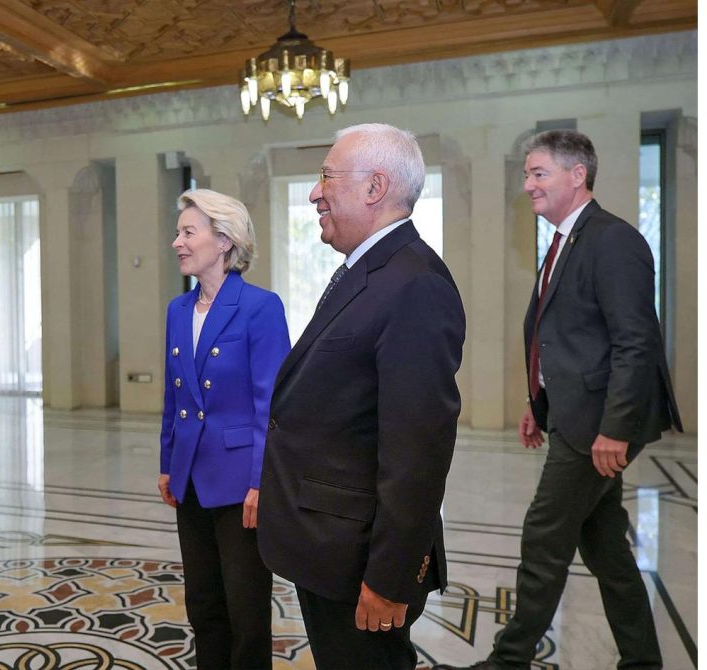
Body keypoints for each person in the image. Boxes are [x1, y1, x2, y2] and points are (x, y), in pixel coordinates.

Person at [434, 130, 682, 670]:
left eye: (538, 173)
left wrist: (614, 429)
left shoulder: (611, 240)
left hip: (597, 424)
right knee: (606, 548)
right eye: (527, 174)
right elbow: (567, 338)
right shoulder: (566, 239)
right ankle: (643, 660)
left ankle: (509, 661)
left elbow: (635, 342)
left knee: (544, 535)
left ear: (578, 175)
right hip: (575, 412)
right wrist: (539, 400)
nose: (527, 184)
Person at [257, 123, 466, 670]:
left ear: (375, 187)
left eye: (327, 177)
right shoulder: (369, 271)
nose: (314, 193)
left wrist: (390, 578)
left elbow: (417, 451)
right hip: (331, 546)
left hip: (361, 560)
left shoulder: (415, 283)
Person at [158, 188, 291, 669]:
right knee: (204, 606)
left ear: (224, 240)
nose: (177, 242)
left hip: (240, 486)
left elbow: (272, 405)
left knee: (246, 613)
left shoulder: (260, 307)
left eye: (188, 232)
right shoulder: (178, 310)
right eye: (178, 232)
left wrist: (261, 482)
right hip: (190, 479)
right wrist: (167, 463)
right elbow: (174, 397)